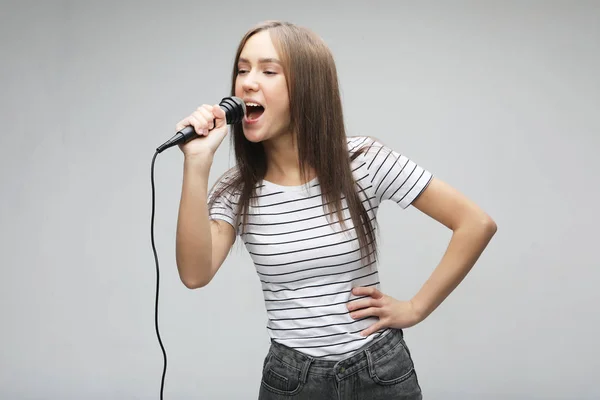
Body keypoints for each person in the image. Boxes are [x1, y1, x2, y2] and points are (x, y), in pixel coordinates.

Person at [174, 20, 497, 400]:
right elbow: (195, 275)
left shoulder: (362, 161)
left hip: (379, 370)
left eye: (268, 70)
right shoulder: (236, 189)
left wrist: (415, 308)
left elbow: (476, 223)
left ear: (308, 86)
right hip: (292, 380)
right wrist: (196, 162)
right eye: (242, 70)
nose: (246, 82)